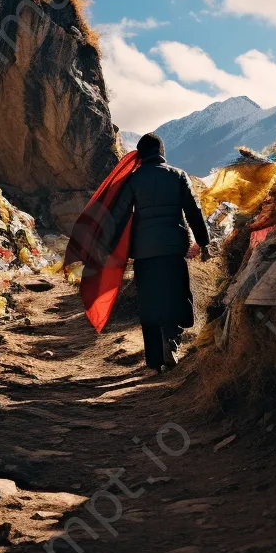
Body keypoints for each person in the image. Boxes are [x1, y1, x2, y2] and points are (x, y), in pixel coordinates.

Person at [109, 133, 210, 373]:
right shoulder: (177, 175)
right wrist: (204, 241)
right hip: (173, 248)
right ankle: (172, 342)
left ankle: (155, 361)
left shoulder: (133, 180)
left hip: (143, 252)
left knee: (150, 303)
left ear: (140, 155)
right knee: (176, 296)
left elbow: (119, 214)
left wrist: (111, 246)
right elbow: (193, 210)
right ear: (162, 152)